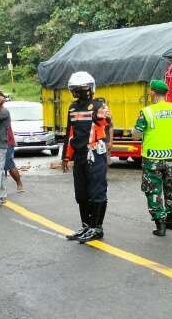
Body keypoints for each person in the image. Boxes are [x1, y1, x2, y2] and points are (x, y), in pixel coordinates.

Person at [61, 72, 112, 243]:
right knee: (81, 193)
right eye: (75, 90)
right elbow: (70, 132)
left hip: (95, 154)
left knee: (97, 191)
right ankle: (86, 226)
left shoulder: (99, 105)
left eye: (82, 89)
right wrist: (66, 157)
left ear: (90, 89)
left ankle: (97, 228)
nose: (79, 93)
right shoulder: (73, 107)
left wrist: (108, 146)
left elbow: (107, 123)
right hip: (80, 156)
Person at [132, 80, 172, 236]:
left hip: (152, 158)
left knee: (153, 190)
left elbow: (136, 135)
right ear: (166, 93)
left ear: (153, 93)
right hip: (170, 157)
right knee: (170, 187)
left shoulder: (147, 112)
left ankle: (160, 225)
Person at [5, 125, 24, 192]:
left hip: (7, 143)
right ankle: (2, 187)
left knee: (9, 164)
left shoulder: (3, 116)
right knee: (0, 166)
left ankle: (19, 183)